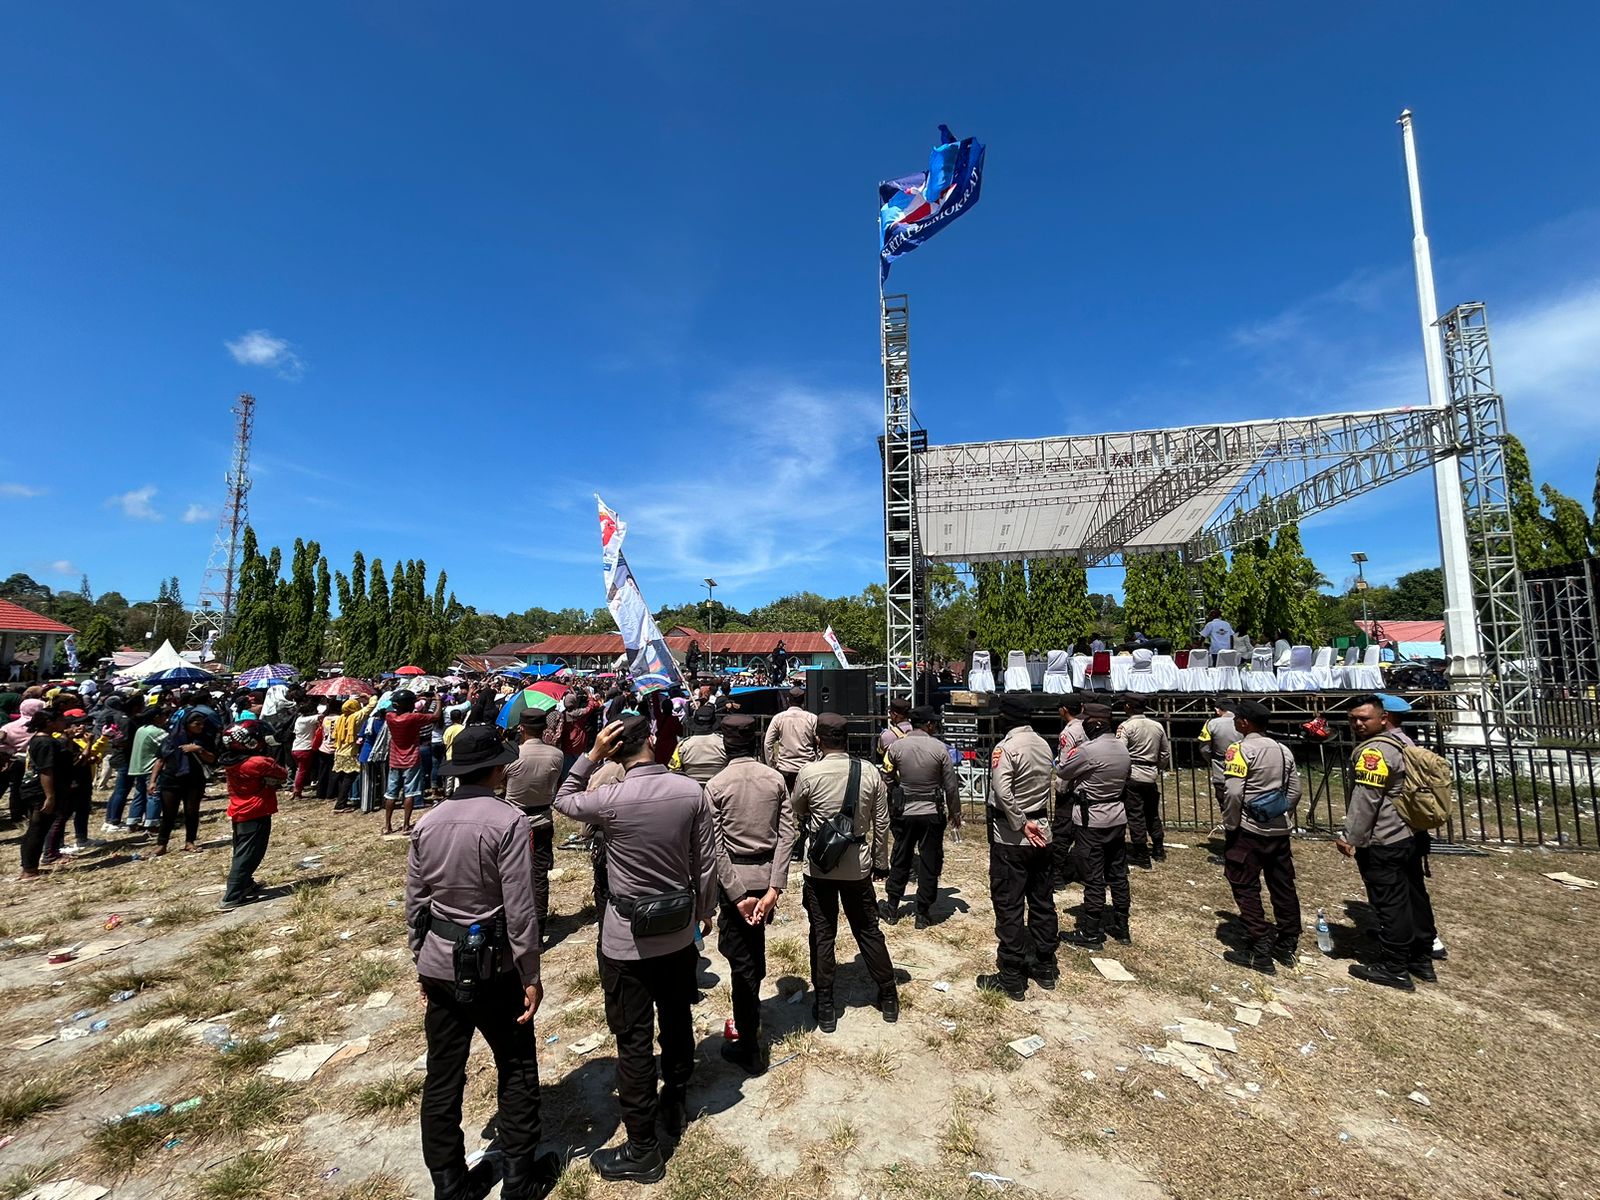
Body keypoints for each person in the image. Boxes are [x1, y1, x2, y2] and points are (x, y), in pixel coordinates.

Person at [554, 715, 718, 1183]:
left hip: (627, 936)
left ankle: (643, 1148)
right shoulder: (691, 792)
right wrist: (703, 913)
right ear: (651, 740)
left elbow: (563, 800)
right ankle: (677, 1098)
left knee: (633, 1040)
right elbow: (705, 861)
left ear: (614, 750)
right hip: (679, 929)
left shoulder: (610, 799)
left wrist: (589, 756)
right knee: (678, 1016)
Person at [406, 724, 560, 1200]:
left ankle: (449, 1183)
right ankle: (519, 1177)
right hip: (496, 966)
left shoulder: (427, 822)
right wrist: (530, 973)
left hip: (440, 961)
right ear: (496, 769)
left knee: (443, 1073)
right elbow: (520, 905)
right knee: (515, 1064)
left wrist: (421, 960)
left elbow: (416, 902)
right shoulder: (508, 821)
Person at [790, 712, 897, 1032]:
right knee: (868, 929)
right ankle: (888, 995)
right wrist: (881, 862)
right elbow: (883, 823)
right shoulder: (869, 772)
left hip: (820, 866)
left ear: (818, 740)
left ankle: (825, 1006)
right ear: (847, 738)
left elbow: (798, 808)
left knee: (822, 934)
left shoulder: (809, 772)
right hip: (858, 865)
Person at [703, 714, 794, 1074]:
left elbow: (713, 845)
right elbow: (788, 834)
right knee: (751, 950)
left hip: (735, 882)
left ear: (725, 744)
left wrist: (737, 894)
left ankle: (748, 1044)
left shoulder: (716, 784)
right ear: (756, 740)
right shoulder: (774, 779)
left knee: (741, 960)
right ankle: (750, 1008)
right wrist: (774, 886)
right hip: (764, 876)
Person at [1337, 696, 1438, 992]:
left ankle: (1394, 966)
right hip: (1409, 833)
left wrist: (1350, 836)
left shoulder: (1376, 752)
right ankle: (1421, 957)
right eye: (1353, 718)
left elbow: (1367, 799)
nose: (1358, 723)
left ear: (1383, 718)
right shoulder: (1403, 742)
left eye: (1364, 718)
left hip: (1384, 837)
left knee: (1390, 902)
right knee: (1414, 895)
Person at [977, 698, 1056, 999]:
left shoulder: (1006, 748)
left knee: (1009, 903)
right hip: (1043, 831)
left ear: (1003, 718)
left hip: (1012, 836)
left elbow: (1002, 790)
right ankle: (1045, 964)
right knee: (1042, 900)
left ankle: (1011, 975)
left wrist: (1020, 822)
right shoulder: (1044, 745)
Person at [1217, 699, 1302, 973]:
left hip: (1248, 829)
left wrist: (1232, 823)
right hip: (1278, 828)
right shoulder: (1282, 749)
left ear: (1243, 722)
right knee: (1283, 884)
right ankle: (1287, 941)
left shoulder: (1240, 750)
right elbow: (1295, 791)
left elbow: (1232, 793)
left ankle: (1259, 945)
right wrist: (1280, 812)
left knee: (1244, 884)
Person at [1057, 702, 1134, 949]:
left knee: (1093, 876)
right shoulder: (1123, 748)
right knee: (1118, 873)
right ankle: (1122, 926)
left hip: (1092, 818)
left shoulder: (1089, 750)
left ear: (1095, 724)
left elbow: (1064, 771)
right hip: (1117, 816)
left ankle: (1091, 931)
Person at [879, 705, 961, 929]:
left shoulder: (896, 747)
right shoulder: (940, 748)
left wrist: (896, 791)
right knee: (929, 861)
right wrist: (955, 813)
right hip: (932, 812)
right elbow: (951, 786)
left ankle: (893, 906)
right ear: (929, 725)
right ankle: (923, 912)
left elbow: (886, 774)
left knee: (900, 858)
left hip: (904, 812)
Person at [218, 721, 288, 911]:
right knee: (249, 853)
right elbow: (282, 774)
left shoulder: (231, 760)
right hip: (256, 810)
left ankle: (246, 883)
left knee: (241, 850)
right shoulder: (258, 762)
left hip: (239, 809)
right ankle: (232, 895)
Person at [505, 710, 564, 930]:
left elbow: (501, 784)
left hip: (513, 820)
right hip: (542, 819)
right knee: (540, 875)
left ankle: (516, 922)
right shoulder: (556, 755)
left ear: (521, 728)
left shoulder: (511, 754)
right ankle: (539, 926)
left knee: (511, 875)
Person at [151, 711, 217, 857]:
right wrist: (153, 781)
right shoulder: (171, 739)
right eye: (196, 724)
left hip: (194, 780)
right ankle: (162, 844)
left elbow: (212, 759)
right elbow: (160, 760)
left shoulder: (205, 739)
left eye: (202, 724)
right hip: (171, 779)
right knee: (169, 813)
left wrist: (199, 749)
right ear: (187, 724)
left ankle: (190, 841)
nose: (200, 726)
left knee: (192, 812)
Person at [1117, 697, 1171, 868]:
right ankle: (1158, 847)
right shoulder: (1157, 726)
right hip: (1151, 773)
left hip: (1133, 774)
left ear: (1128, 706)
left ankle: (1141, 852)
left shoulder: (1126, 726)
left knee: (1135, 815)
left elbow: (1120, 751)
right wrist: (1157, 768)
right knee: (1152, 813)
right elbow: (1165, 753)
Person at [17, 709, 70, 880]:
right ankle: (29, 870)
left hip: (32, 789)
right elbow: (46, 771)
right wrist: (50, 796)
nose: (64, 723)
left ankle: (28, 866)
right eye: (61, 719)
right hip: (40, 791)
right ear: (49, 722)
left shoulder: (40, 740)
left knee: (35, 828)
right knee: (38, 829)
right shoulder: (46, 743)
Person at [384, 689, 437, 835]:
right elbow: (436, 716)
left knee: (391, 794)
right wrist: (437, 699)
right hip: (412, 758)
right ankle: (406, 825)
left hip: (395, 759)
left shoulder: (389, 717)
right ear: (410, 705)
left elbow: (390, 706)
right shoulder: (414, 718)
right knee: (410, 793)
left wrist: (412, 699)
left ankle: (387, 825)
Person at [1050, 698, 1087, 888]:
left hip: (1070, 787)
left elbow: (1065, 765)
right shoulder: (1088, 727)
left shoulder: (1069, 732)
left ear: (1064, 710)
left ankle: (1057, 875)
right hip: (1087, 786)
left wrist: (1061, 787)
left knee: (1062, 832)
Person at [764, 686, 819, 794]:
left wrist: (771, 765)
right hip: (807, 768)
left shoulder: (778, 718)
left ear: (788, 700)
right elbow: (820, 741)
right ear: (804, 701)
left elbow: (767, 743)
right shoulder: (812, 718)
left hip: (785, 768)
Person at [1198, 699, 1241, 819]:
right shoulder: (1243, 721)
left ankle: (1229, 827)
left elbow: (1204, 748)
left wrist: (1211, 759)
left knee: (1223, 800)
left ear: (1217, 710)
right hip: (1243, 768)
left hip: (1220, 767)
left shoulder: (1211, 724)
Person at [669, 708, 727, 785]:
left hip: (691, 788)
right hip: (719, 787)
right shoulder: (723, 743)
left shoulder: (683, 745)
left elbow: (674, 770)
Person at [289, 701, 320, 800]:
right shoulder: (308, 719)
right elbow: (321, 716)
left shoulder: (299, 719)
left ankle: (296, 789)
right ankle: (297, 791)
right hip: (304, 748)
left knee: (299, 770)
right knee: (302, 771)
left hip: (296, 747)